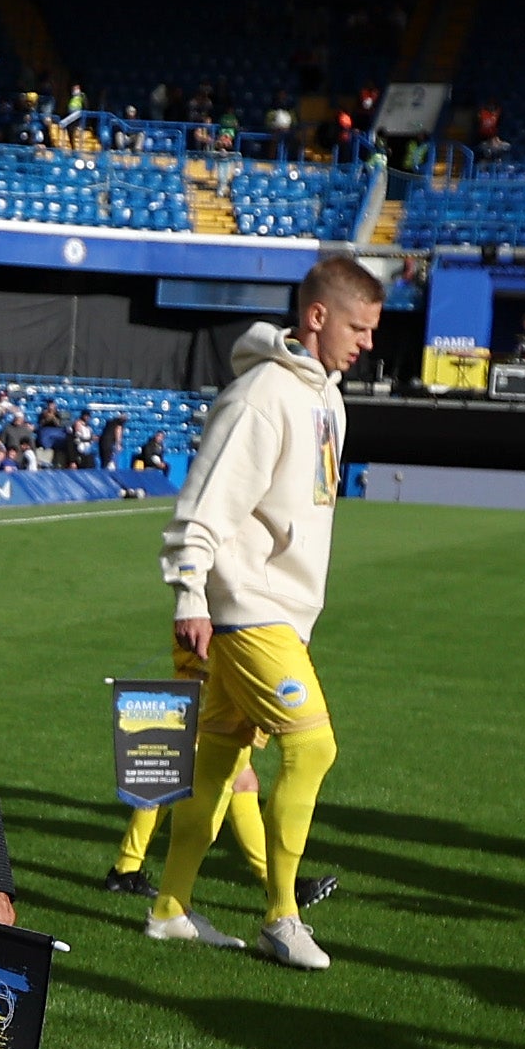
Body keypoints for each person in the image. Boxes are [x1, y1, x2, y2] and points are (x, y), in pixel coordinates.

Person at [140, 254, 377, 968]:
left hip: (279, 610)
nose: (367, 341)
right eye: (358, 326)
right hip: (248, 610)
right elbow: (203, 502)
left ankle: (170, 908)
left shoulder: (325, 398)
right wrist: (189, 594)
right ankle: (282, 914)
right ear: (316, 316)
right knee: (313, 746)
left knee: (216, 760)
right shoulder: (262, 394)